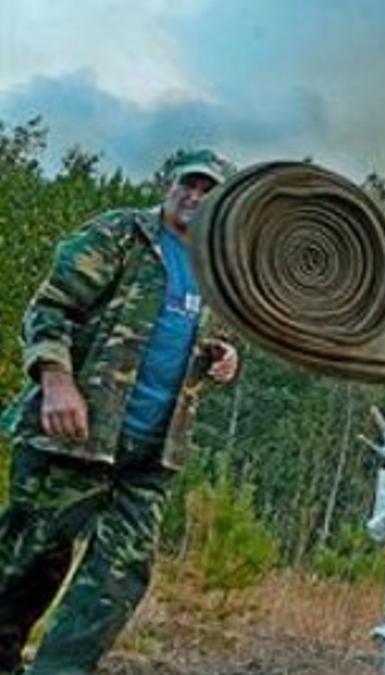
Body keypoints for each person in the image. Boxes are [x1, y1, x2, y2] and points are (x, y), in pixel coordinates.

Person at [0, 149, 240, 674]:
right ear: (168, 185)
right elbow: (51, 308)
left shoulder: (216, 271)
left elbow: (203, 338)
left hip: (152, 452)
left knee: (120, 575)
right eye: (188, 186)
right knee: (28, 563)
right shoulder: (120, 235)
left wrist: (223, 359)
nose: (195, 198)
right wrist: (57, 382)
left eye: (208, 191)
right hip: (74, 432)